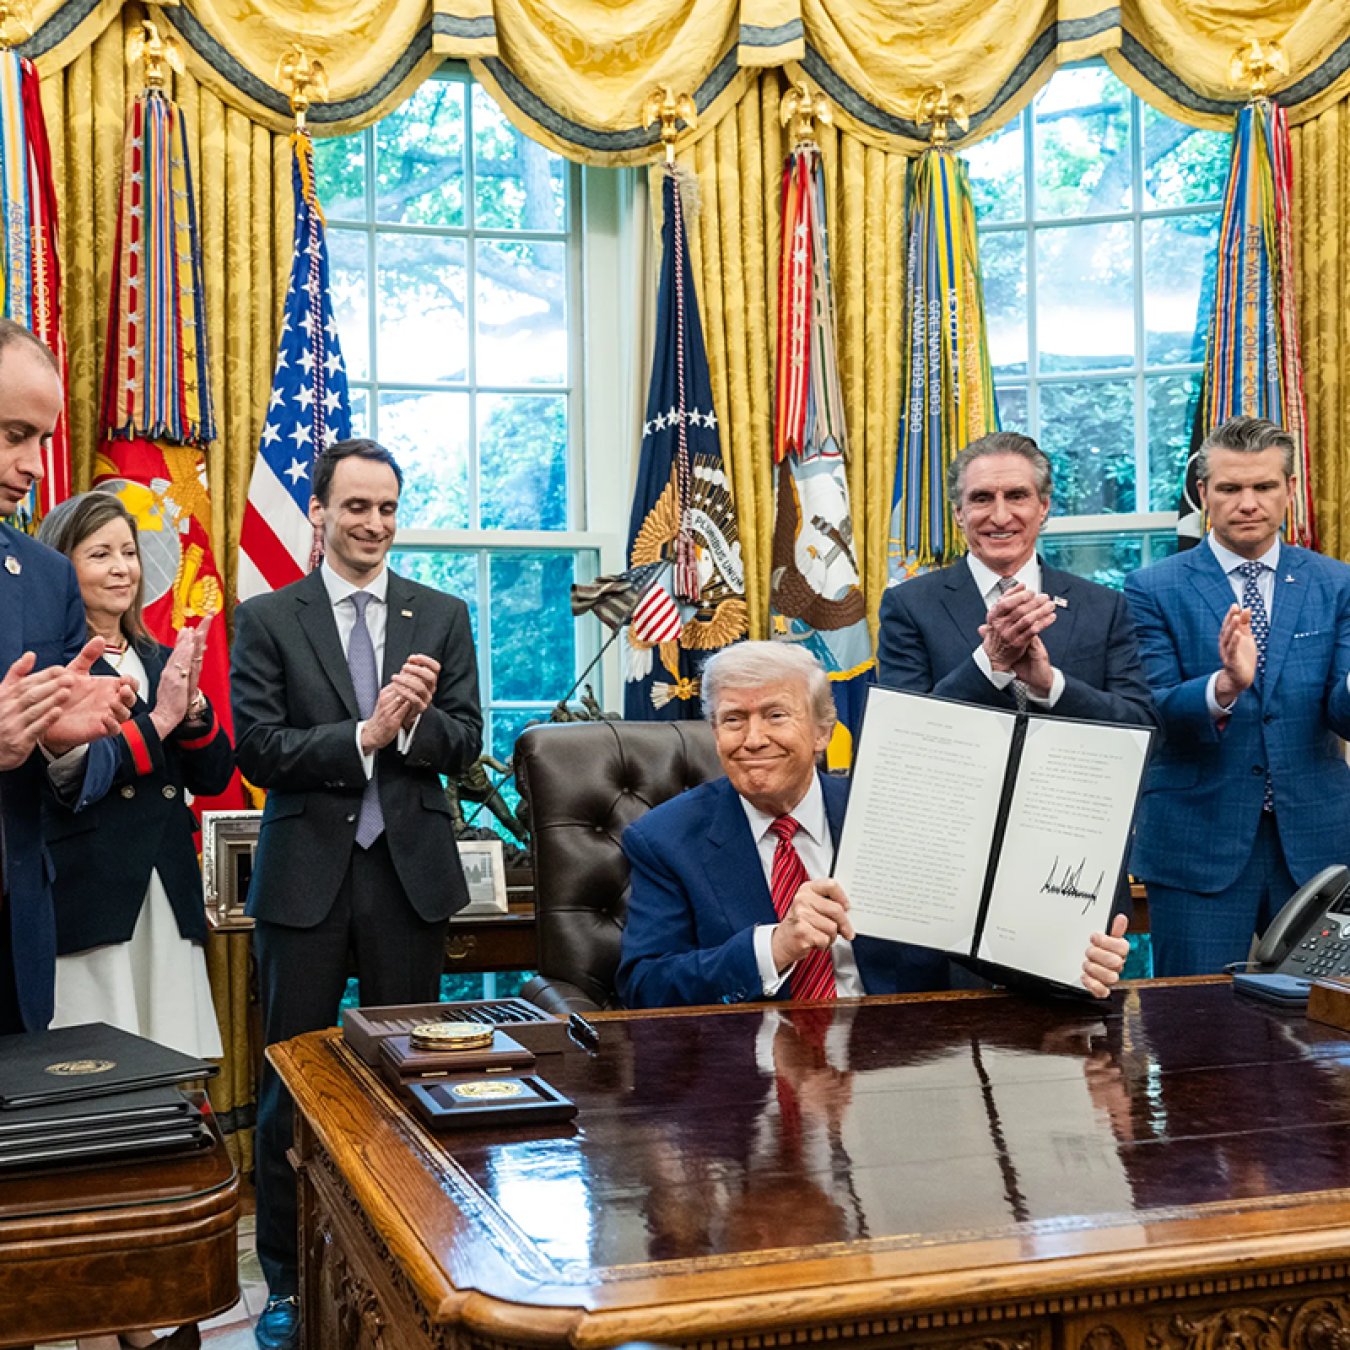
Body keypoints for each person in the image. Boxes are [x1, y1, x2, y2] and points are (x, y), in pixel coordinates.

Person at [231, 438, 482, 1350]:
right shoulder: (268, 617)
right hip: (304, 884)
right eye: (356, 508)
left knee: (412, 1086)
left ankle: (411, 1262)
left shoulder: (441, 615)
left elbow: (467, 739)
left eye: (386, 508)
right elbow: (254, 748)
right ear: (320, 514)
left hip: (406, 879)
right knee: (288, 1085)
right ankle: (290, 1282)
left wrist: (411, 731)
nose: (372, 524)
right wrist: (365, 733)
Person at [616, 642, 1129, 1009]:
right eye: (732, 719)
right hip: (754, 1087)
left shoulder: (895, 811)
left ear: (822, 733)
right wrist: (774, 945)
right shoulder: (664, 840)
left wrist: (1071, 968)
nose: (752, 739)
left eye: (775, 716)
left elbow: (983, 940)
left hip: (901, 1072)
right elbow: (644, 986)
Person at [1124, 415, 1350, 976]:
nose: (1248, 502)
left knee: (1324, 1035)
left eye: (1264, 486)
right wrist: (1224, 686)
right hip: (1196, 843)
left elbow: (1343, 715)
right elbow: (1150, 710)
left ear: (1289, 490)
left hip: (1317, 842)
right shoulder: (1151, 588)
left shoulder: (1335, 582)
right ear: (1203, 494)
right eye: (1229, 488)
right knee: (1195, 1035)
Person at [38, 492, 232, 1058]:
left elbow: (216, 775)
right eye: (100, 554)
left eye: (129, 551)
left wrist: (191, 710)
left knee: (171, 1057)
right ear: (61, 565)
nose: (122, 568)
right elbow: (76, 780)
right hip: (91, 891)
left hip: (166, 888)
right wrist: (163, 718)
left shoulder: (160, 656)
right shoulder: (52, 665)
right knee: (100, 1064)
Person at [0, 319, 133, 1035]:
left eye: (43, 440)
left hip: (17, 943)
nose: (33, 465)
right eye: (12, 434)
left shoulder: (49, 577)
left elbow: (90, 760)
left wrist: (65, 744)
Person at [876, 431, 1157, 732]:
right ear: (959, 513)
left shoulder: (1104, 607)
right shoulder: (909, 605)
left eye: (1017, 496)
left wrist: (1051, 686)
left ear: (1044, 506)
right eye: (982, 498)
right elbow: (900, 734)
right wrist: (990, 663)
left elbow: (1142, 729)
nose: (1000, 517)